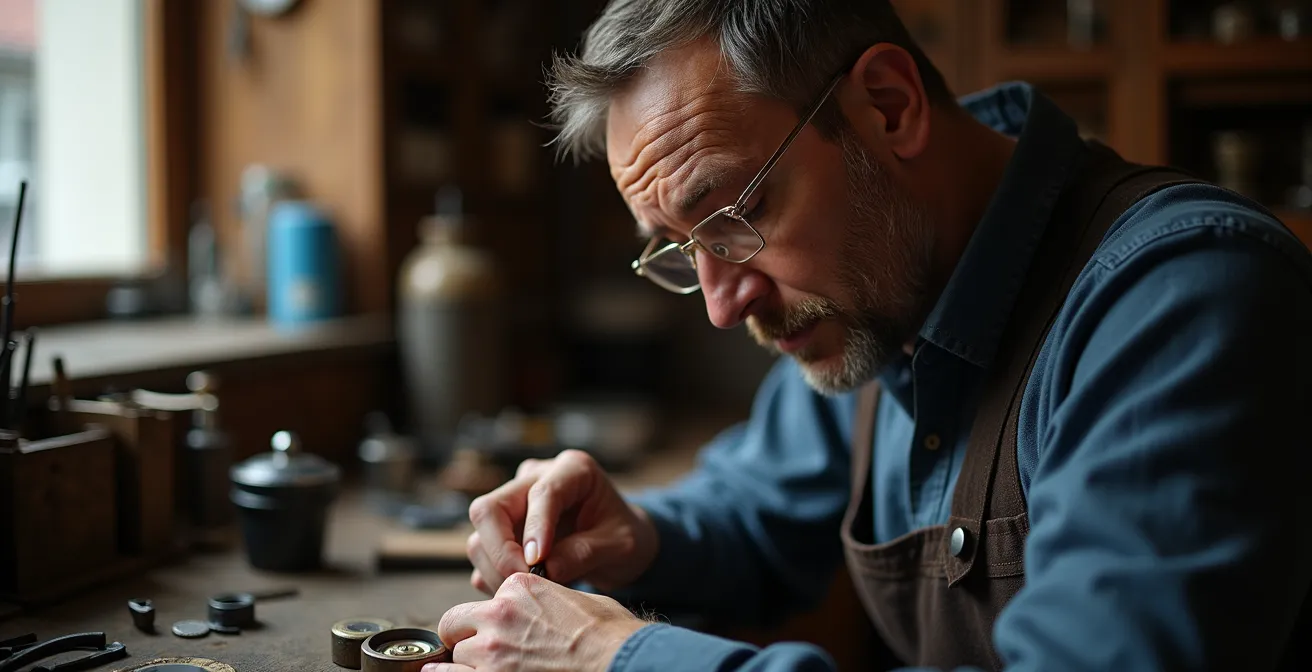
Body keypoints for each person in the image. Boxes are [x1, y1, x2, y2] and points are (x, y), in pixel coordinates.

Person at [428, 1, 1312, 670]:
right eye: (679, 250)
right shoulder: (883, 294)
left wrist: (618, 658)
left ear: (887, 107)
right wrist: (637, 534)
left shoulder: (1183, 299)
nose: (720, 305)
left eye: (732, 218)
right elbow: (758, 507)